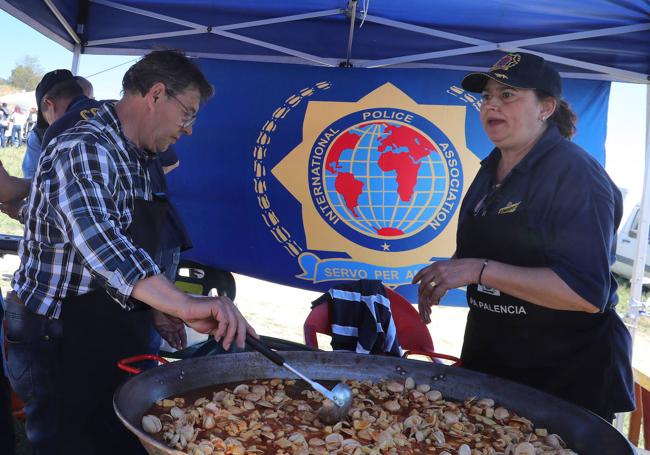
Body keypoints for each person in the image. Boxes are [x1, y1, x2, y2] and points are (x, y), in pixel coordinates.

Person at [4, 49, 256, 455]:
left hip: (107, 327)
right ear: (157, 94)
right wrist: (181, 302)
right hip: (56, 335)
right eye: (188, 113)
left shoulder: (141, 153)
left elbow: (132, 238)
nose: (189, 129)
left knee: (117, 438)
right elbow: (102, 240)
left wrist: (157, 306)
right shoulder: (84, 145)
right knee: (67, 444)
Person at [413, 52, 634, 421]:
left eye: (508, 95)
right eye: (486, 96)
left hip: (564, 380)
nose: (491, 105)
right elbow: (487, 252)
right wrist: (450, 271)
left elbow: (585, 292)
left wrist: (478, 270)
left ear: (546, 107)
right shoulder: (490, 169)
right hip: (494, 365)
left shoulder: (575, 175)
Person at [22, 69, 87, 179]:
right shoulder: (109, 113)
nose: (49, 124)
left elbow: (33, 181)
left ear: (49, 104)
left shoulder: (50, 132)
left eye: (46, 118)